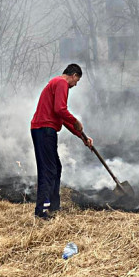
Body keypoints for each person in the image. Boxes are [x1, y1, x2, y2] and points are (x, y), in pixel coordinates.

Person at [30, 63, 93, 219]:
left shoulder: (56, 84)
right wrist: (75, 120)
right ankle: (42, 211)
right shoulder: (61, 83)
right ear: (73, 75)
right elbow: (61, 110)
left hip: (42, 129)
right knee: (49, 170)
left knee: (55, 168)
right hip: (45, 130)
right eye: (76, 80)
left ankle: (53, 206)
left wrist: (82, 137)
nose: (75, 84)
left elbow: (61, 118)